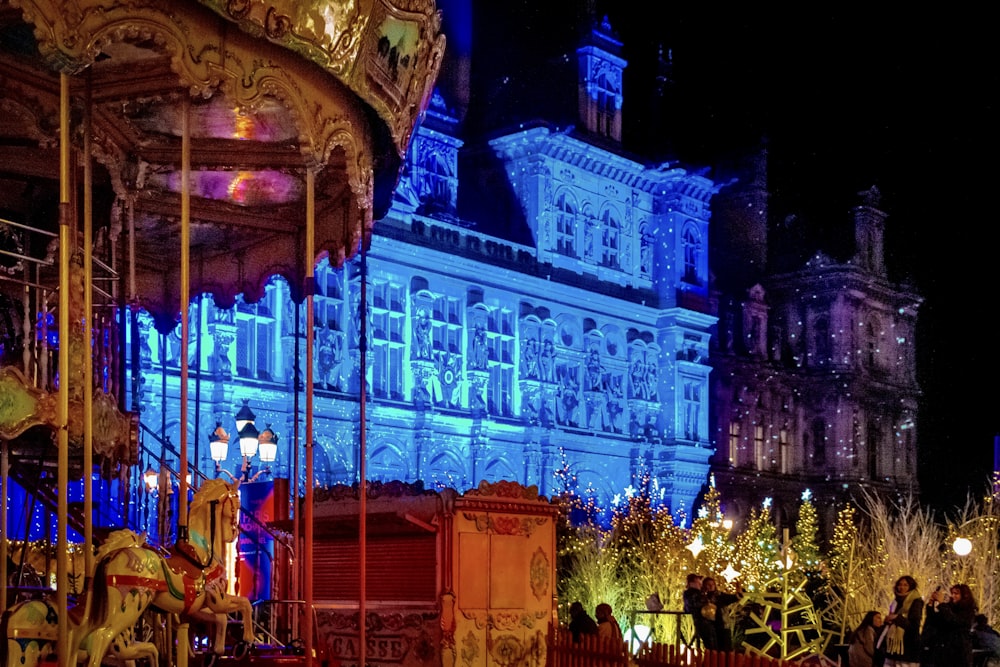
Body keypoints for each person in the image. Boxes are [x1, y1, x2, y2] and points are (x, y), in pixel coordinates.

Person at [923, 583, 976, 667]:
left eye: (956, 593)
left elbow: (954, 620)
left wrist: (941, 604)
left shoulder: (968, 611)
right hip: (944, 652)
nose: (953, 596)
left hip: (959, 652)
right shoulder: (948, 608)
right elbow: (935, 621)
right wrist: (930, 605)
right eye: (953, 593)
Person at [882, 575, 924, 667]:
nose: (902, 587)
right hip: (892, 650)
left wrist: (897, 617)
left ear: (911, 587)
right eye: (900, 584)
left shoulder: (916, 601)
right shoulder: (895, 601)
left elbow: (914, 626)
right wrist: (887, 620)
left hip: (907, 649)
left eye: (905, 585)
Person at [702, 576, 742, 651]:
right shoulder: (703, 597)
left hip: (723, 625)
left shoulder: (719, 595)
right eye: (708, 584)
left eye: (712, 584)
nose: (711, 586)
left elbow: (735, 597)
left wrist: (738, 587)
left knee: (725, 648)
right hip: (711, 627)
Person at [683, 573, 717, 650]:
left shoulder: (698, 593)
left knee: (712, 644)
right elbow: (693, 605)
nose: (700, 585)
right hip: (702, 622)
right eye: (698, 583)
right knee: (711, 645)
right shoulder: (691, 594)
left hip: (707, 622)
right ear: (691, 583)